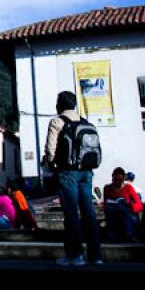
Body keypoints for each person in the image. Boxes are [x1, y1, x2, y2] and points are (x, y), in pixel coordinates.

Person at [42, 91, 102, 266]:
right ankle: (96, 255)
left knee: (71, 213)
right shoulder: (86, 123)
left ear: (59, 104)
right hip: (87, 171)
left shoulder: (57, 121)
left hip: (67, 171)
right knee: (89, 212)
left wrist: (51, 165)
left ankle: (75, 255)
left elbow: (50, 149)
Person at [102, 167, 143, 242]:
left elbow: (139, 205)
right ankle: (112, 234)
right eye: (115, 180)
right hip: (113, 212)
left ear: (124, 179)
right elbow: (105, 202)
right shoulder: (107, 188)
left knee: (122, 208)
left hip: (127, 214)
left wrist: (129, 204)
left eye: (120, 180)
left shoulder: (128, 188)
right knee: (110, 209)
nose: (117, 182)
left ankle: (128, 234)